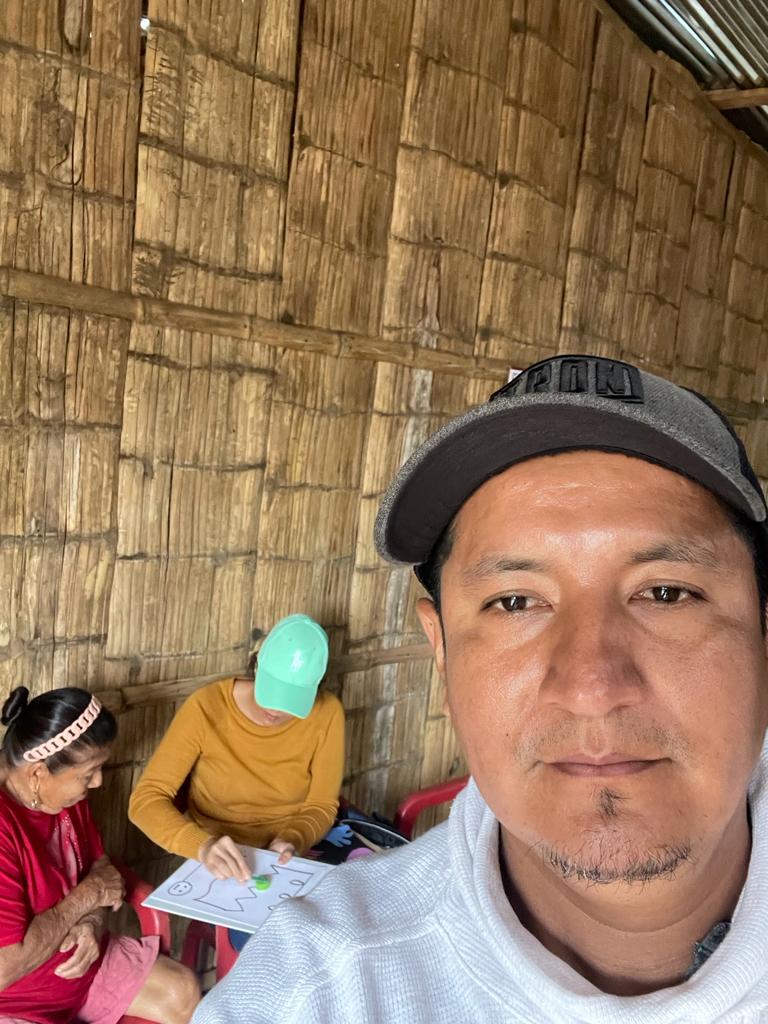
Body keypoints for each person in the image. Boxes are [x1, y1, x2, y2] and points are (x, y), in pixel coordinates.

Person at [192, 354, 768, 1023]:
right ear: (441, 654)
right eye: (515, 602)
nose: (592, 687)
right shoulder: (319, 990)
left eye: (666, 593)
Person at [0, 685, 199, 1024]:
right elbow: (5, 968)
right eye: (88, 773)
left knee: (181, 991)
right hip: (15, 1002)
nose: (97, 783)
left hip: (82, 970)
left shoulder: (64, 798)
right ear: (37, 774)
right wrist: (86, 898)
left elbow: (102, 869)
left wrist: (91, 921)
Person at [129, 614, 345, 886]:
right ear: (257, 667)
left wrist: (294, 838)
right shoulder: (207, 706)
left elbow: (322, 805)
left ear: (314, 690)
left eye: (290, 700)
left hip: (289, 854)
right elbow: (145, 801)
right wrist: (202, 846)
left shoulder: (327, 713)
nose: (275, 710)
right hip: (219, 853)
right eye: (271, 692)